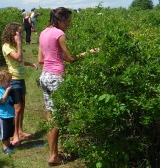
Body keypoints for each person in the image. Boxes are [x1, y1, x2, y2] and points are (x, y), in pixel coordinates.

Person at [38, 7, 98, 166]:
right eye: (68, 21)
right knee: (58, 118)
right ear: (60, 20)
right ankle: (53, 156)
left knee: (50, 116)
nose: (69, 24)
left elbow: (41, 59)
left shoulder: (43, 32)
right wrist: (89, 52)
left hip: (44, 76)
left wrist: (57, 57)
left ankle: (53, 153)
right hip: (56, 78)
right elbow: (71, 58)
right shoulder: (59, 34)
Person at [1, 22, 38, 147]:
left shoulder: (13, 46)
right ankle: (15, 135)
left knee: (22, 107)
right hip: (14, 80)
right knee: (17, 109)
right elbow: (18, 58)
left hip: (21, 79)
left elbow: (21, 61)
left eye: (22, 32)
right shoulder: (6, 46)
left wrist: (30, 64)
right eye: (19, 32)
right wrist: (19, 43)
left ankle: (20, 131)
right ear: (12, 33)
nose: (21, 35)